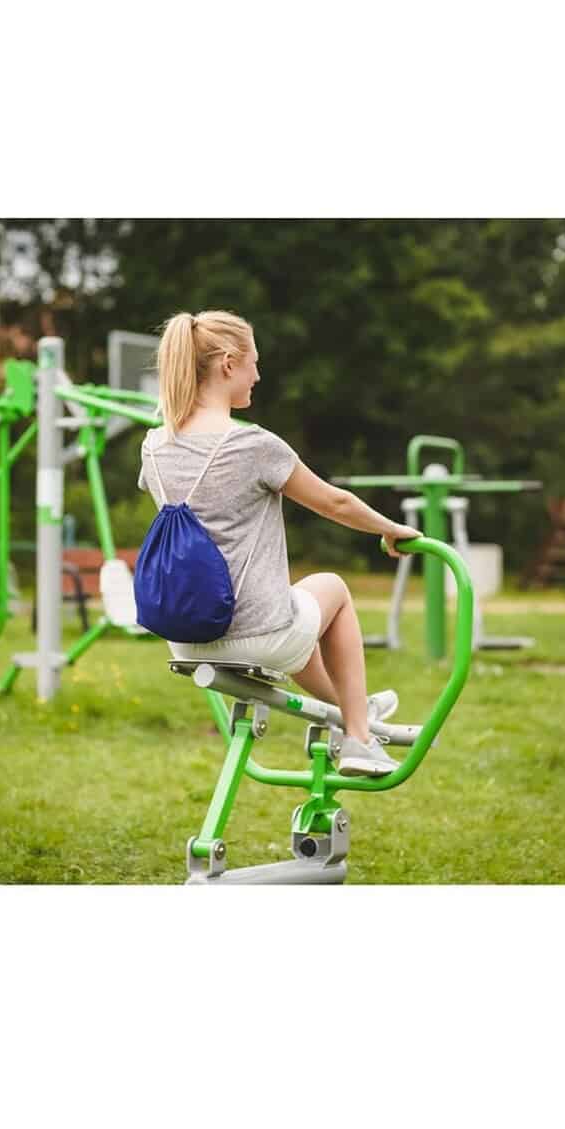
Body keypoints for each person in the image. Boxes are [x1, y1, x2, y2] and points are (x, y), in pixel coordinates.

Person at [138, 310, 422, 778]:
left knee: (297, 614)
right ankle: (359, 737)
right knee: (332, 589)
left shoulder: (152, 447)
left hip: (185, 641)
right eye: (254, 362)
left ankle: (355, 708)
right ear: (228, 364)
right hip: (257, 634)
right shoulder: (255, 446)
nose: (258, 375)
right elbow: (335, 502)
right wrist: (391, 528)